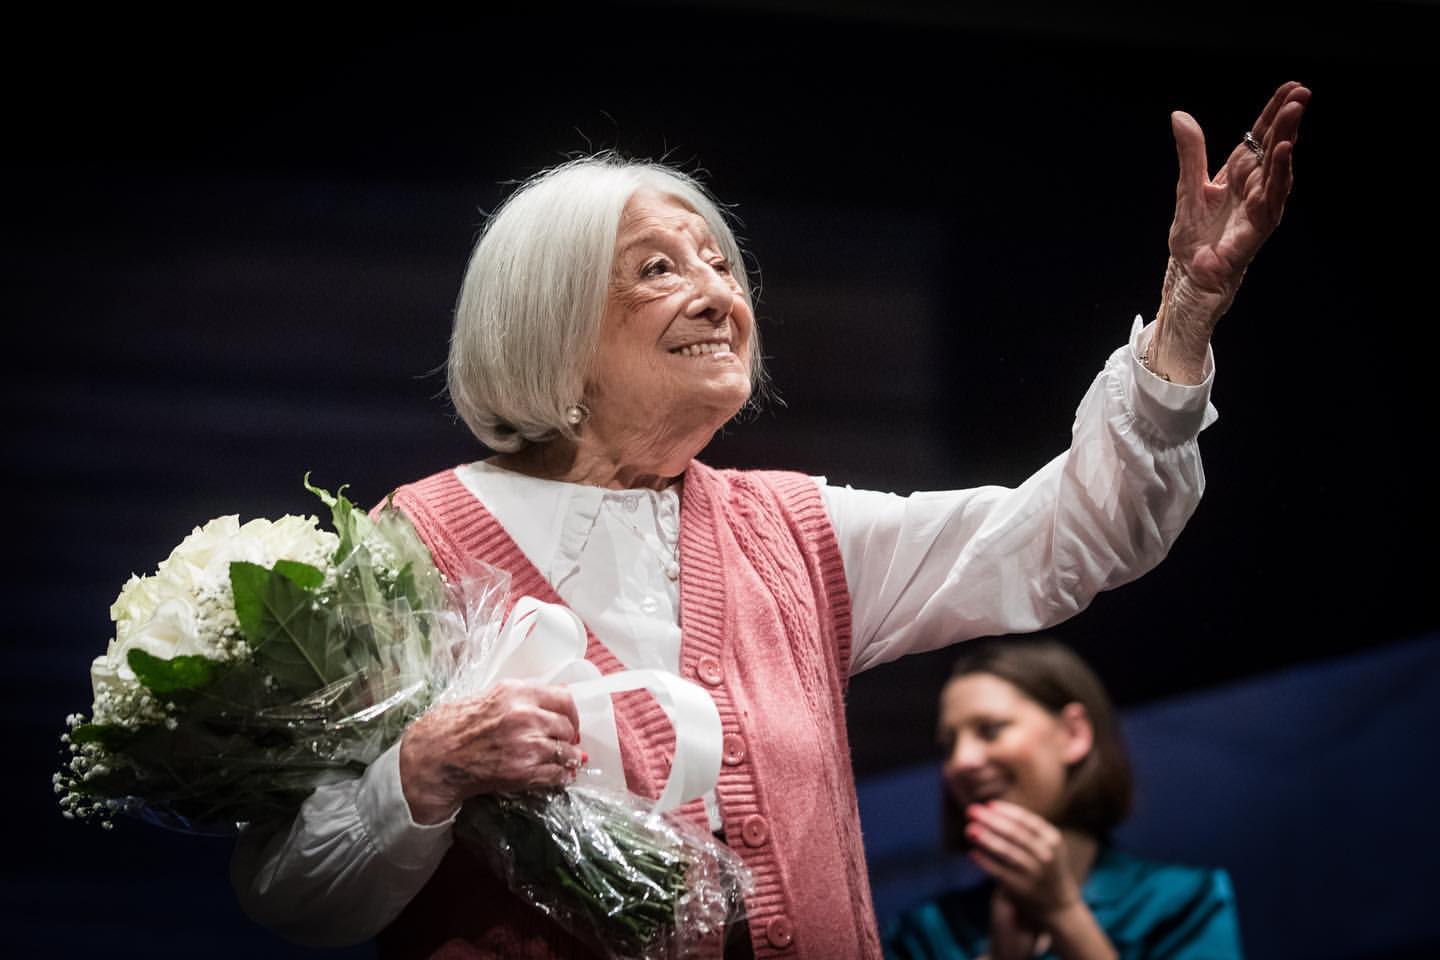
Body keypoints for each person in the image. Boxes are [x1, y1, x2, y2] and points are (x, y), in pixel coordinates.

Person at [231, 82, 1309, 959]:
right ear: (547, 321)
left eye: (719, 263)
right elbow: (293, 890)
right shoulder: (413, 549)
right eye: (659, 269)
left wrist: (1186, 313)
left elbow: (1072, 535)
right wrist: (423, 772)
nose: (718, 294)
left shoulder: (794, 532)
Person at [884, 638, 1243, 959]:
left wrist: (1063, 914)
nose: (960, 762)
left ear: (1073, 733)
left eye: (990, 730)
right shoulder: (924, 934)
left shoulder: (1182, 903)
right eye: (948, 745)